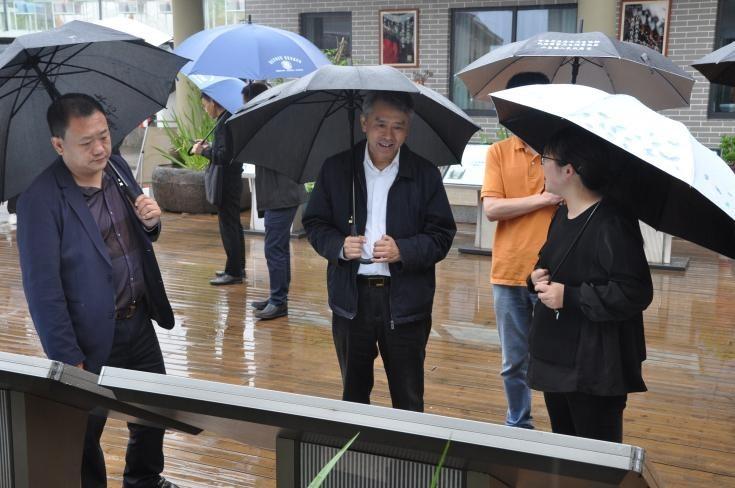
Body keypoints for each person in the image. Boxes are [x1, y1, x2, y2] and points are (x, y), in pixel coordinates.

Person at [16, 93, 177, 487]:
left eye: (104, 136)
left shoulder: (117, 168)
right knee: (85, 432)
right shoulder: (40, 199)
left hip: (137, 320)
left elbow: (138, 232)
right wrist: (67, 356)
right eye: (86, 142)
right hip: (86, 338)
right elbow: (42, 288)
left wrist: (151, 222)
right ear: (59, 145)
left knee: (154, 409)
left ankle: (143, 478)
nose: (100, 148)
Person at [302, 91, 456, 412]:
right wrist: (339, 246)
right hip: (351, 301)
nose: (388, 135)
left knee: (408, 396)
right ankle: (357, 446)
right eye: (380, 124)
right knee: (354, 394)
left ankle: (408, 447)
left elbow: (442, 235)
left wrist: (404, 249)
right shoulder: (336, 169)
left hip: (405, 302)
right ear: (364, 123)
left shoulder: (424, 174)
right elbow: (315, 223)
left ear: (408, 130)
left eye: (398, 126)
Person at [528, 126, 653, 442]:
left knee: (596, 456)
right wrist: (535, 277)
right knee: (565, 450)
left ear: (568, 170)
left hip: (595, 366)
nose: (540, 165)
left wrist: (569, 297)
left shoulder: (612, 222)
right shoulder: (562, 214)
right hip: (556, 358)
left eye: (544, 159)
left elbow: (635, 291)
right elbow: (548, 261)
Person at [481, 72, 562, 429]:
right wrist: (543, 199)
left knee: (557, 359)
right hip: (509, 272)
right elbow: (492, 209)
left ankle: (564, 427)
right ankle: (518, 423)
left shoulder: (563, 155)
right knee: (514, 361)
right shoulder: (498, 153)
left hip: (556, 274)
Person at [240, 82, 308, 320]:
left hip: (281, 195)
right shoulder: (273, 121)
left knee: (274, 249)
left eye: (246, 102)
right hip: (279, 193)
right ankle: (278, 297)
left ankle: (279, 302)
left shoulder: (273, 123)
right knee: (278, 249)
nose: (244, 107)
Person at [192, 94, 244, 286]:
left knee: (228, 226)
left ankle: (234, 272)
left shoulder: (224, 123)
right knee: (234, 224)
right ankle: (237, 266)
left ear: (214, 102)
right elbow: (226, 150)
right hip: (232, 180)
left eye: (205, 105)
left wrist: (203, 151)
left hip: (226, 182)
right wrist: (210, 146)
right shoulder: (228, 119)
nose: (205, 110)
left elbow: (223, 157)